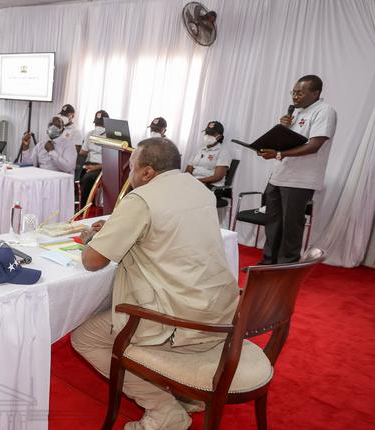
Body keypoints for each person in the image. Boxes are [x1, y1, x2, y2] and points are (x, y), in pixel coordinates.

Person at [71, 137, 239, 430]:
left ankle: (164, 410)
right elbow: (169, 236)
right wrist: (120, 230)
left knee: (85, 338)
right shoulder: (199, 189)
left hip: (178, 316)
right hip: (220, 309)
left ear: (147, 172)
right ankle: (184, 391)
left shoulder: (142, 199)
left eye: (132, 167)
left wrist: (92, 240)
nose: (129, 173)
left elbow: (93, 261)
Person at [257, 74, 337, 264]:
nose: (295, 97)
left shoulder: (325, 111)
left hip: (299, 180)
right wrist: (282, 130)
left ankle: (286, 267)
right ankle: (267, 264)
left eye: (300, 93)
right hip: (279, 175)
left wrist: (278, 154)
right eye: (293, 92)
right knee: (272, 223)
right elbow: (287, 143)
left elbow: (314, 145)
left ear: (316, 93)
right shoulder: (298, 113)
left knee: (291, 226)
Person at [78, 110, 110, 207]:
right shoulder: (90, 134)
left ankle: (83, 209)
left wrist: (96, 167)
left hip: (102, 167)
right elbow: (83, 152)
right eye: (97, 124)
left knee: (87, 178)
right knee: (75, 175)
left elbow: (111, 161)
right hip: (88, 164)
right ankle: (79, 204)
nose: (98, 127)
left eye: (101, 124)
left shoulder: (111, 137)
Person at [185, 121, 231, 187]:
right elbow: (188, 170)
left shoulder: (223, 152)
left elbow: (218, 177)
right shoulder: (199, 150)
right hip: (194, 183)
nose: (208, 135)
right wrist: (188, 180)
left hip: (210, 185)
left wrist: (197, 181)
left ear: (219, 136)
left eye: (212, 133)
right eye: (207, 133)